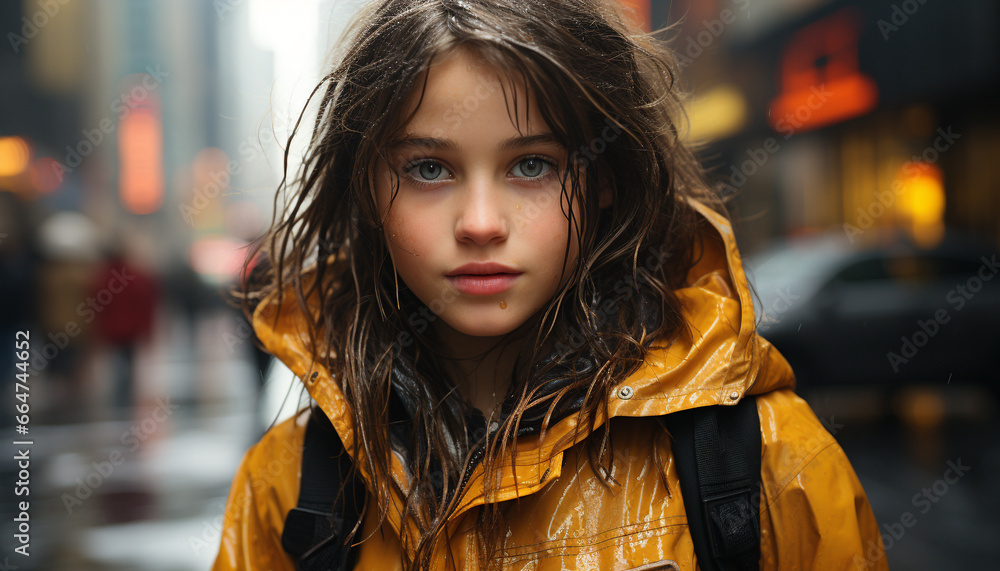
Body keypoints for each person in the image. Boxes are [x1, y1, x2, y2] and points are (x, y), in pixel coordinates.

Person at [213, 1, 888, 569]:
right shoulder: (288, 488)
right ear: (368, 193)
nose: (480, 223)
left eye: (531, 164)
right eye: (428, 169)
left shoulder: (769, 459)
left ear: (604, 181)